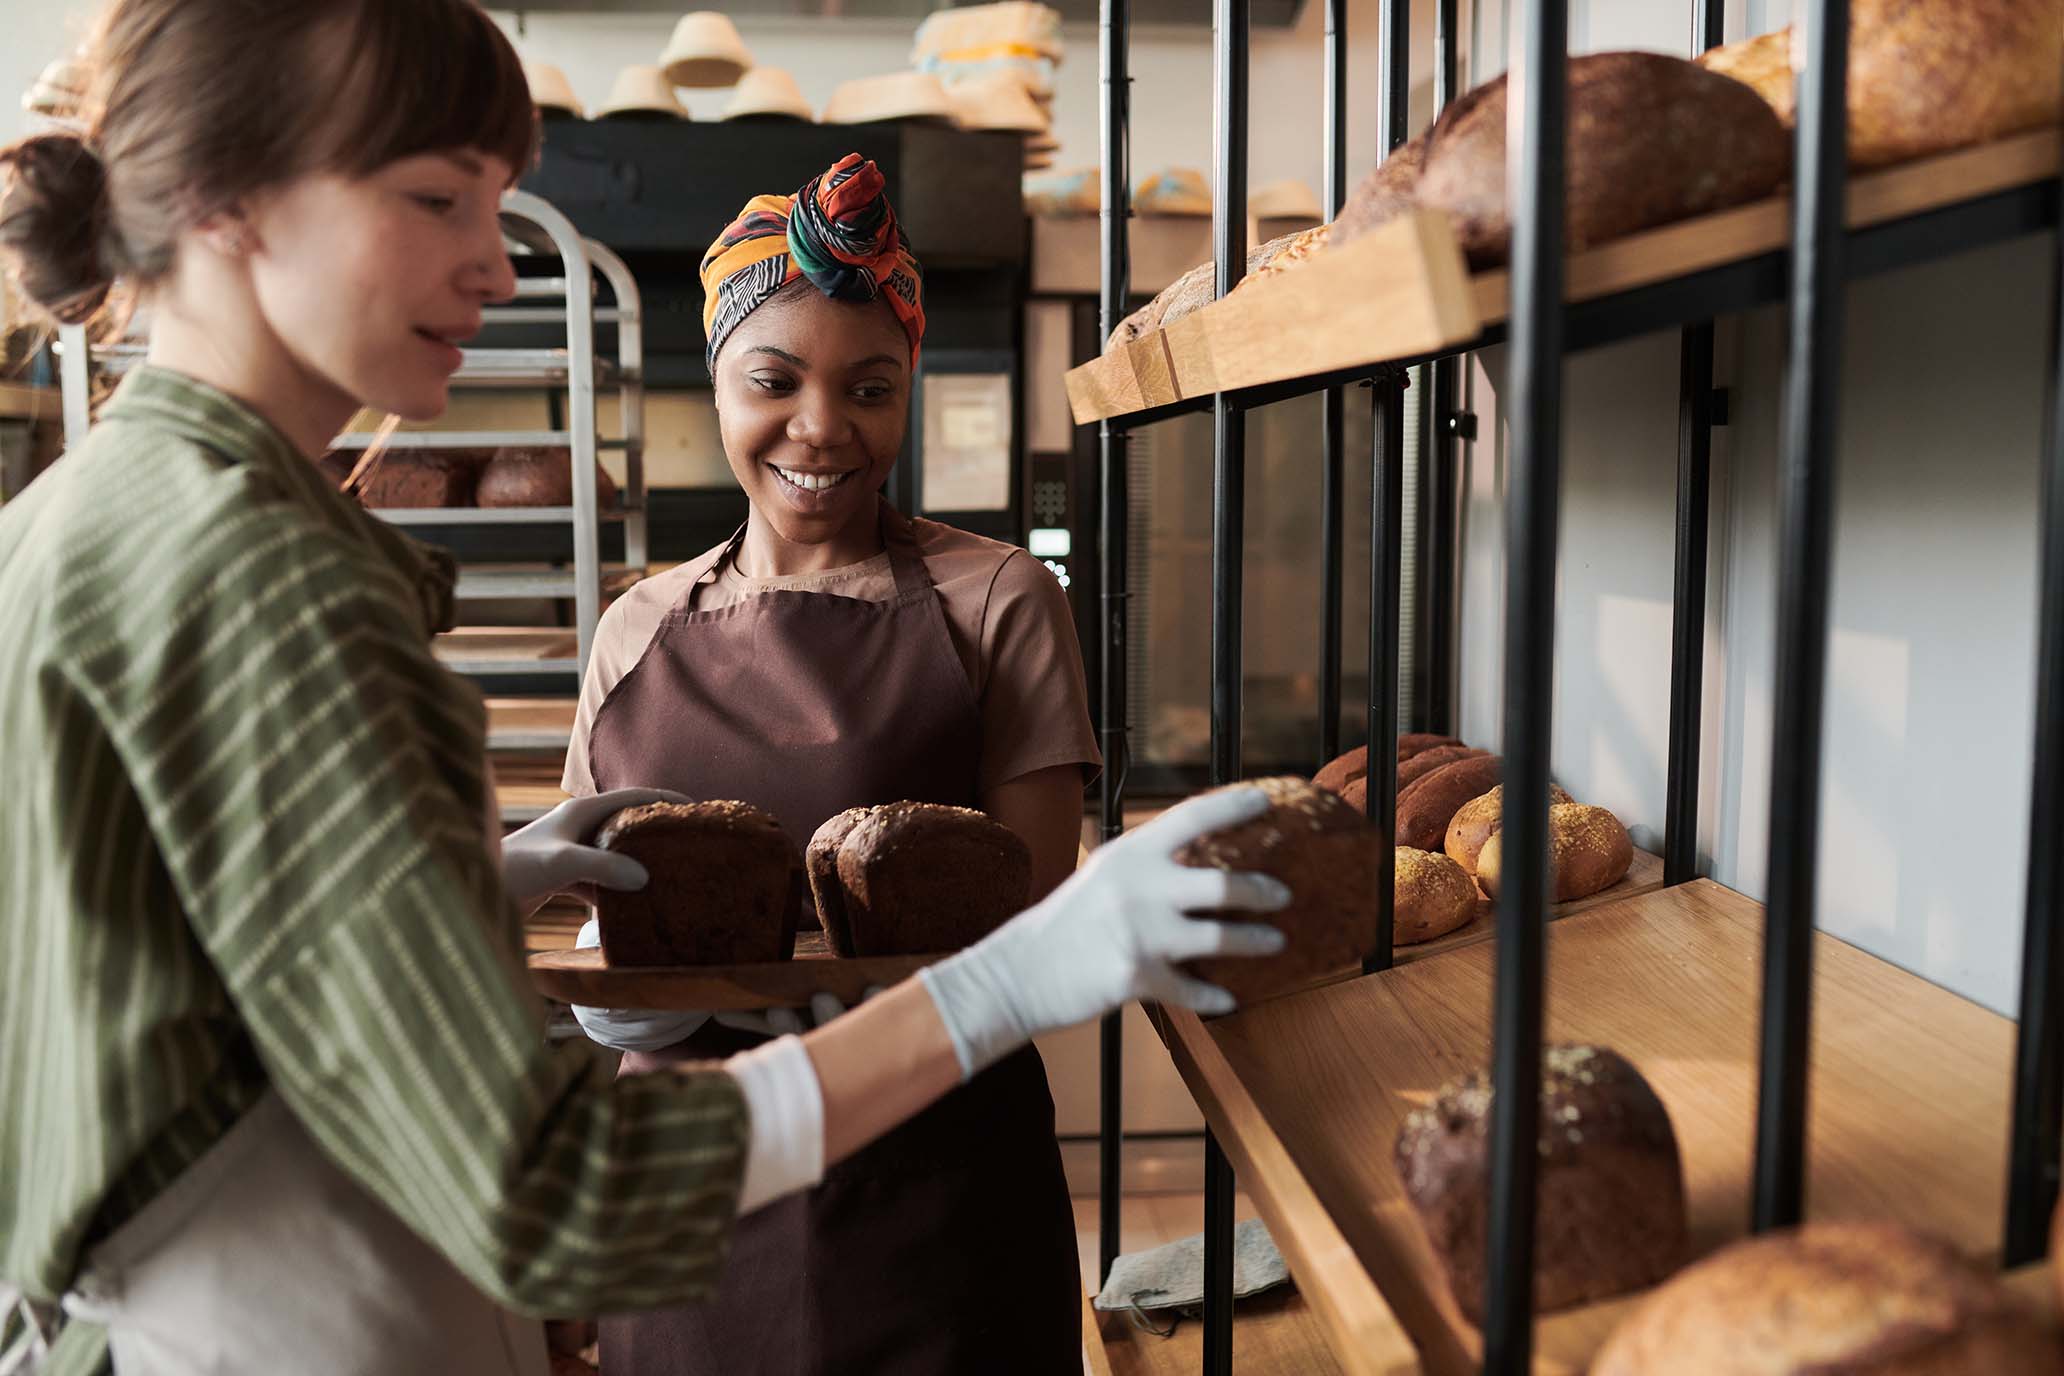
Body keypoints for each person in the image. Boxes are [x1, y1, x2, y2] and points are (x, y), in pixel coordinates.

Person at [0, 4, 1292, 1374]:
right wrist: (1011, 979)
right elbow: (548, 1196)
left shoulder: (65, 520)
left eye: (497, 205)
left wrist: (463, 897)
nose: (499, 270)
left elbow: (147, 981)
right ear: (225, 201)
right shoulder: (281, 584)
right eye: (439, 197)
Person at [557, 154, 1110, 1373]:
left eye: (871, 386)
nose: (823, 427)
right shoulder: (635, 629)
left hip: (936, 1192)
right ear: (716, 383)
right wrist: (615, 994)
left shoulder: (1000, 599)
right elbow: (596, 937)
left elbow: (1035, 939)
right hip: (692, 1199)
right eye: (775, 379)